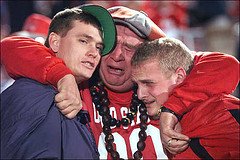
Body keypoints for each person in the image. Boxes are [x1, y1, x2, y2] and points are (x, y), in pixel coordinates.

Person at [1, 6, 238, 159]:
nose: (117, 56)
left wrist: (171, 110)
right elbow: (11, 47)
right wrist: (62, 77)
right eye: (110, 46)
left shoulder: (166, 87)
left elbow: (226, 65)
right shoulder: (79, 85)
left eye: (130, 48)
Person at [0, 4, 117, 159]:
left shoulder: (82, 90)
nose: (94, 53)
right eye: (83, 41)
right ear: (55, 41)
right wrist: (63, 75)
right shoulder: (36, 93)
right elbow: (9, 46)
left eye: (99, 47)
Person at [131, 37, 239, 159]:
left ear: (179, 76)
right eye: (136, 85)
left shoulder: (223, 114)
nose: (140, 94)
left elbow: (226, 63)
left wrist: (171, 110)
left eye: (148, 83)